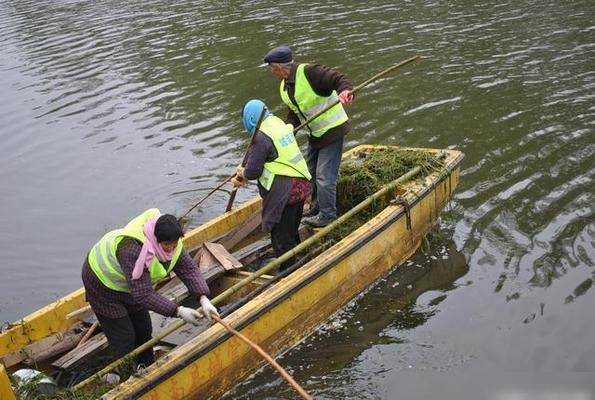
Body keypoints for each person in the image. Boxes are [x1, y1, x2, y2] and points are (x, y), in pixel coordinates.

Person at [81, 208, 219, 370]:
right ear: (156, 239)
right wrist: (179, 312)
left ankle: (146, 366)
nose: (171, 248)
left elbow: (188, 270)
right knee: (124, 336)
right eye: (167, 244)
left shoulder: (173, 241)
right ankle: (121, 375)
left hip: (129, 285)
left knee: (144, 328)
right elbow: (144, 294)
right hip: (102, 285)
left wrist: (204, 298)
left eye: (174, 244)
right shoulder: (132, 250)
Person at [263, 45, 354, 227]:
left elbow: (338, 78)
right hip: (315, 135)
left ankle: (328, 215)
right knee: (308, 173)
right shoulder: (284, 87)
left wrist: (345, 91)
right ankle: (316, 208)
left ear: (280, 67)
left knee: (324, 176)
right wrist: (289, 128)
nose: (271, 72)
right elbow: (294, 113)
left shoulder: (309, 72)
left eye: (272, 68)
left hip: (332, 130)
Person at [233, 99, 312, 270]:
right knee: (291, 229)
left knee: (281, 237)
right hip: (301, 187)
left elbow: (253, 171)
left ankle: (289, 271)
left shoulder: (260, 137)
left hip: (285, 194)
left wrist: (242, 174)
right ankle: (297, 259)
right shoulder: (276, 123)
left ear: (250, 119)